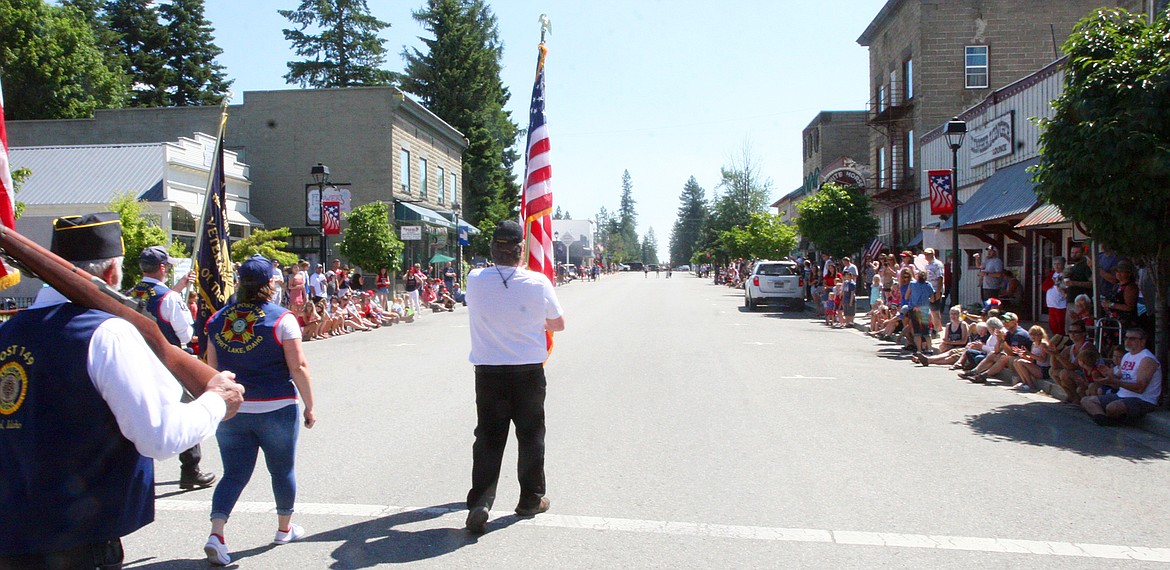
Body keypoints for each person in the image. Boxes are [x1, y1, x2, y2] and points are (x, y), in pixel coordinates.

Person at [0, 213, 243, 569]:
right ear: (114, 272)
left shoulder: (9, 330)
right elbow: (159, 435)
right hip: (82, 541)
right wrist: (217, 402)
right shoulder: (109, 333)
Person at [202, 255, 316, 565]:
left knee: (234, 473)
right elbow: (298, 366)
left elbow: (212, 369)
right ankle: (284, 527)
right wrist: (309, 405)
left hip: (233, 408)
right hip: (276, 405)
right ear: (269, 285)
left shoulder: (217, 319)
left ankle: (217, 532)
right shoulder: (283, 319)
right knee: (281, 470)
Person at [463, 221, 565, 534]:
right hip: (528, 371)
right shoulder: (537, 282)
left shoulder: (475, 279)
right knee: (531, 435)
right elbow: (558, 324)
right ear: (521, 250)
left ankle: (481, 500)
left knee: (489, 438)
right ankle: (530, 497)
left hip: (489, 371)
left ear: (493, 248)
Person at [131, 245, 216, 490]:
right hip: (168, 362)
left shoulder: (128, 292)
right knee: (186, 412)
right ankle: (190, 469)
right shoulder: (169, 297)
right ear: (161, 268)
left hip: (138, 360)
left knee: (137, 414)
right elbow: (186, 334)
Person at [1081, 328, 1162, 425]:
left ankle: (1108, 419)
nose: (1127, 341)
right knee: (1086, 400)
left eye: (1132, 339)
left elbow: (1140, 388)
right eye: (1126, 338)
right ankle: (1103, 419)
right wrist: (1107, 375)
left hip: (1142, 399)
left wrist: (1115, 381)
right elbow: (1117, 379)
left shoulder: (1147, 359)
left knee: (1113, 407)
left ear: (1142, 341)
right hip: (1122, 395)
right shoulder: (1127, 356)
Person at [1043, 256, 1068, 335]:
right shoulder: (1052, 274)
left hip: (1061, 304)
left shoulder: (1066, 274)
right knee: (1052, 325)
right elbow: (1044, 287)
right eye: (1055, 264)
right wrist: (1053, 282)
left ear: (1063, 264)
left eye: (1059, 264)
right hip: (1052, 303)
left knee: (1060, 324)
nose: (1056, 266)